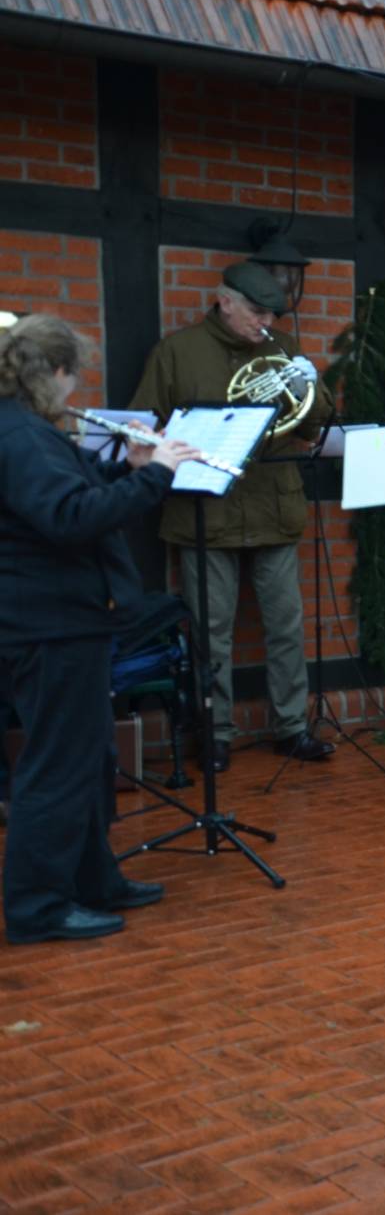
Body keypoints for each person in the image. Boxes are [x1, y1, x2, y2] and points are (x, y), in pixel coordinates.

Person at [1, 314, 203, 943]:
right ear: (54, 372)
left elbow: (69, 493)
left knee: (90, 758)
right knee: (58, 765)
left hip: (60, 620)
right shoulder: (22, 435)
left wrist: (131, 467)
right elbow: (69, 518)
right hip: (49, 623)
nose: (76, 389)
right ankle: (37, 906)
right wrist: (158, 473)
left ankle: (93, 879)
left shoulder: (25, 429)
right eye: (74, 375)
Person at [129, 262, 336, 772]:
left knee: (286, 625)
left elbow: (314, 426)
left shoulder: (282, 348)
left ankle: (291, 727)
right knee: (210, 630)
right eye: (257, 312)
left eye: (271, 314)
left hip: (272, 504)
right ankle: (215, 733)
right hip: (206, 508)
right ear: (225, 302)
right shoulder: (177, 352)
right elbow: (143, 426)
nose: (265, 323)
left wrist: (308, 383)